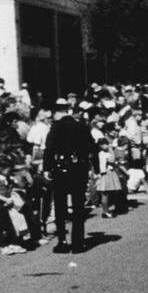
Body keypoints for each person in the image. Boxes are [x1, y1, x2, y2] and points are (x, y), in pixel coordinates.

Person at [43, 99, 95, 253]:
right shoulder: (82, 126)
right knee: (78, 206)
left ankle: (63, 241)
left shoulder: (56, 126)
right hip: (79, 168)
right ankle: (78, 243)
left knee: (60, 206)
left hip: (61, 168)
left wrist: (47, 168)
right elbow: (91, 146)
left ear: (57, 113)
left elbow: (49, 148)